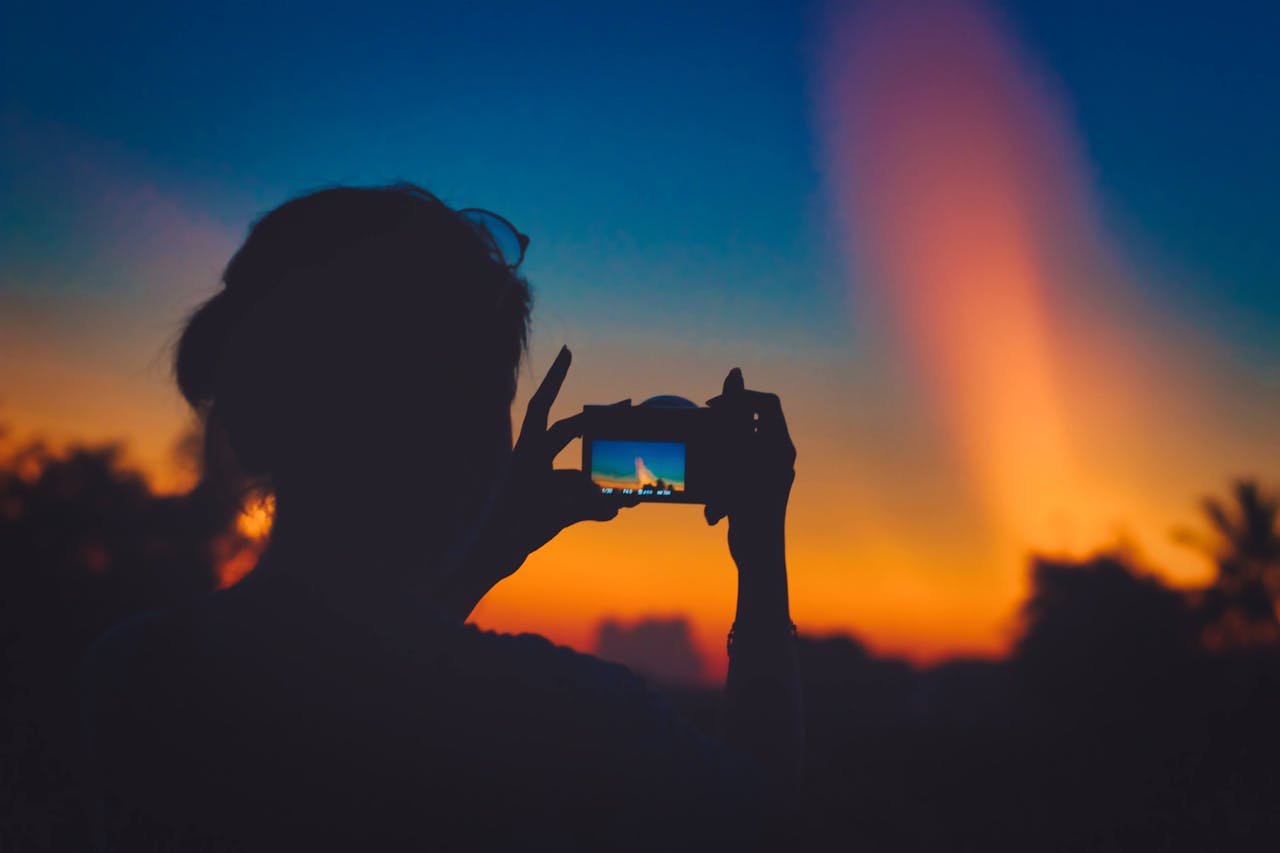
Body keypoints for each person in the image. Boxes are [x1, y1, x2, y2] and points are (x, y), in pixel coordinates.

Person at [80, 184, 802, 851]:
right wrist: (762, 557)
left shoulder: (130, 673)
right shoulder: (563, 724)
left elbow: (352, 668)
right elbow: (768, 820)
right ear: (477, 441)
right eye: (490, 392)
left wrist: (484, 554)